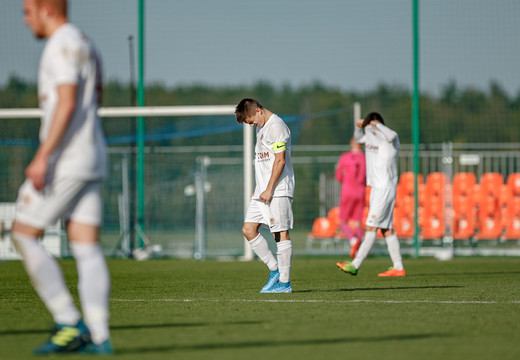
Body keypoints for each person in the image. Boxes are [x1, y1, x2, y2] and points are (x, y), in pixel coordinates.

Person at [12, 0, 112, 354]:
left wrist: (43, 156)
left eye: (28, 12)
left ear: (47, 9)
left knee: (23, 233)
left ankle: (68, 321)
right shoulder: (87, 42)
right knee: (86, 246)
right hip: (93, 153)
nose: (25, 20)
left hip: (67, 159)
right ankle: (100, 338)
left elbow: (67, 103)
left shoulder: (60, 45)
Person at [235, 98, 295, 293]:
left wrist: (269, 188)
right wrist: (259, 187)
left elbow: (280, 161)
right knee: (248, 230)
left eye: (251, 121)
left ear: (259, 111)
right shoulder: (260, 128)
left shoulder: (276, 126)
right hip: (262, 191)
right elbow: (264, 161)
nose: (251, 125)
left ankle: (285, 284)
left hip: (277, 190)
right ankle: (275, 270)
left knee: (280, 233)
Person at [336, 112, 405, 277]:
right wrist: (359, 127)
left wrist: (376, 124)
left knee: (371, 227)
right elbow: (358, 139)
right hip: (376, 188)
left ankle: (355, 264)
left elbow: (392, 134)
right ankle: (398, 267)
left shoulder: (390, 139)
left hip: (384, 188)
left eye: (370, 125)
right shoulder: (371, 138)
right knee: (386, 229)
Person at [335, 137, 366, 259]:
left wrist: (345, 178)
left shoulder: (345, 157)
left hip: (347, 190)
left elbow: (338, 176)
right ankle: (359, 249)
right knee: (358, 222)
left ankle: (353, 241)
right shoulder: (365, 158)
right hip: (360, 191)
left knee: (342, 220)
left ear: (351, 143)